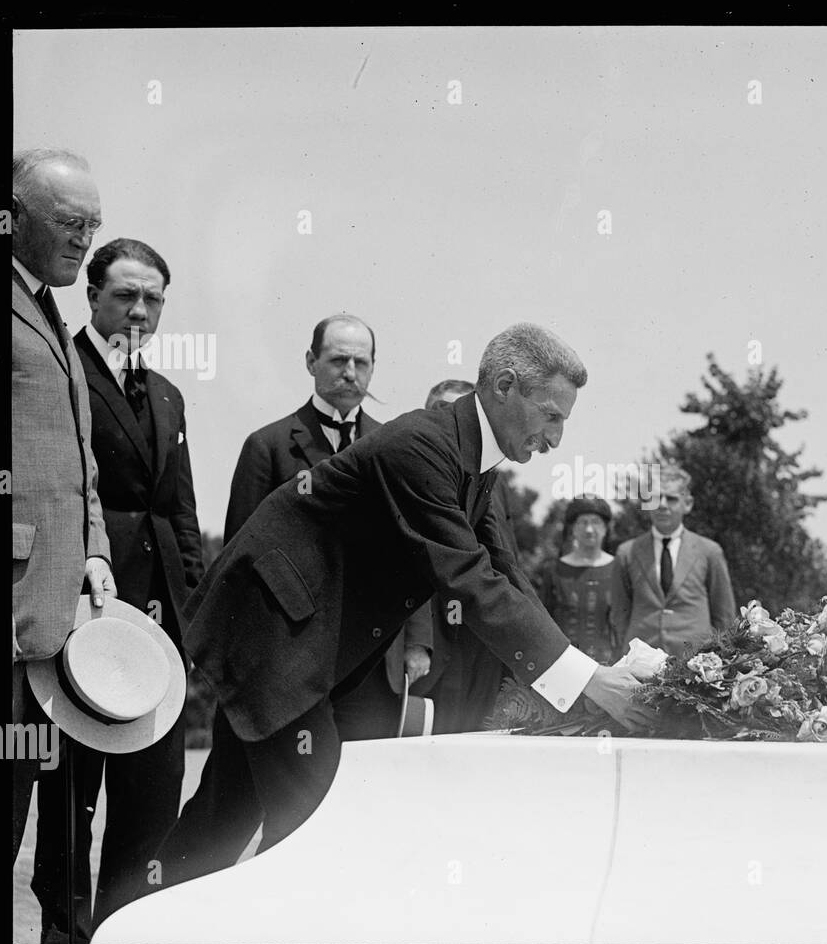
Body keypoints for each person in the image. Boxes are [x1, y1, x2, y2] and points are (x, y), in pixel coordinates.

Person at [154, 322, 643, 888]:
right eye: (551, 416)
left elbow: (507, 573)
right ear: (505, 386)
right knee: (316, 824)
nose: (556, 438)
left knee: (222, 816)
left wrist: (589, 677)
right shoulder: (422, 446)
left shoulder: (473, 460)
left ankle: (122, 940)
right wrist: (589, 682)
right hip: (275, 638)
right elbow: (469, 579)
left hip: (301, 644)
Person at [40, 238, 203, 936]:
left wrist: (194, 619)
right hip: (88, 611)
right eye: (124, 295)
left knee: (151, 792)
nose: (139, 310)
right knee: (72, 789)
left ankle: (123, 931)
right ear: (93, 296)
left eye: (153, 298)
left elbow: (182, 514)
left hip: (159, 627)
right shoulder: (62, 370)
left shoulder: (167, 395)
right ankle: (64, 936)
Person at [221, 313, 431, 727]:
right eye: (337, 361)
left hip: (375, 655)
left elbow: (414, 550)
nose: (350, 373)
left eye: (361, 363)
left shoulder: (396, 447)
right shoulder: (269, 446)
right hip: (293, 655)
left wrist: (418, 641)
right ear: (310, 361)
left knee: (368, 776)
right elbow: (239, 560)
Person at [8, 147, 117, 944]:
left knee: (22, 817)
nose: (86, 240)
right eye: (71, 224)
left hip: (56, 613)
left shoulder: (47, 307)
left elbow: (74, 460)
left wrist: (94, 549)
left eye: (94, 227)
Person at [421, 378, 520, 732]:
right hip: (430, 639)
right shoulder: (416, 470)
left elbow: (507, 561)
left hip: (482, 642)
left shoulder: (494, 481)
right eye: (441, 413)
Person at [610, 464, 736, 658]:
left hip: (695, 664)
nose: (662, 504)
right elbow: (619, 614)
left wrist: (720, 660)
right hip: (641, 662)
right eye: (655, 497)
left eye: (671, 498)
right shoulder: (627, 552)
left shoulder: (709, 551)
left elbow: (724, 616)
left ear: (688, 504)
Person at [540, 495, 618, 664]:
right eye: (583, 522)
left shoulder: (619, 569)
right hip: (562, 663)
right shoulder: (553, 570)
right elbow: (543, 621)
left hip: (610, 665)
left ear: (606, 528)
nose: (589, 529)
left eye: (595, 522)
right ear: (572, 528)